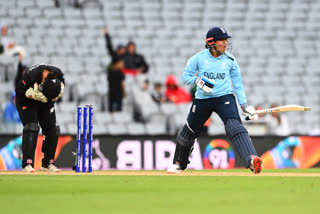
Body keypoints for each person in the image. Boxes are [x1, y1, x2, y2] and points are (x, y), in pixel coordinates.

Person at [167, 27, 263, 174]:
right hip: (202, 100)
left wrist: (244, 106)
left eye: (226, 40)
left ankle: (251, 159)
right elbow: (185, 77)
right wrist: (199, 81)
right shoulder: (198, 58)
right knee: (188, 133)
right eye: (222, 40)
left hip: (224, 98)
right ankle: (179, 163)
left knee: (235, 127)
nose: (225, 43)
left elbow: (237, 84)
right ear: (211, 42)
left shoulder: (230, 60)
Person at [15, 63, 65, 172]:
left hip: (46, 101)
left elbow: (62, 83)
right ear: (41, 83)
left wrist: (59, 91)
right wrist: (31, 94)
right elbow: (18, 91)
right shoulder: (30, 75)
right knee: (32, 127)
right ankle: (27, 164)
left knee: (53, 130)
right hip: (27, 101)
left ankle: (47, 163)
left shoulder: (58, 73)